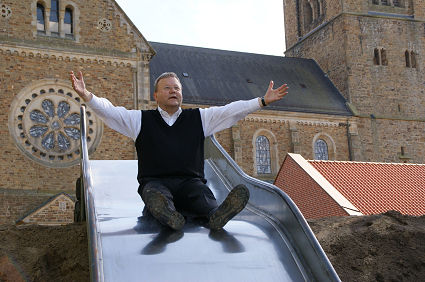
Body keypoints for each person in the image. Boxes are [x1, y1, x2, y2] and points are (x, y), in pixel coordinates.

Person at [70, 71, 288, 231]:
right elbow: (110, 112)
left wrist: (260, 102)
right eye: (167, 87)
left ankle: (216, 215)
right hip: (155, 181)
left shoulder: (199, 119)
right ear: (156, 95)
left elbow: (230, 111)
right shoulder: (140, 120)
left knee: (203, 197)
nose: (173, 90)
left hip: (190, 182)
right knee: (156, 194)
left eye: (177, 88)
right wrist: (88, 96)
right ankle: (167, 214)